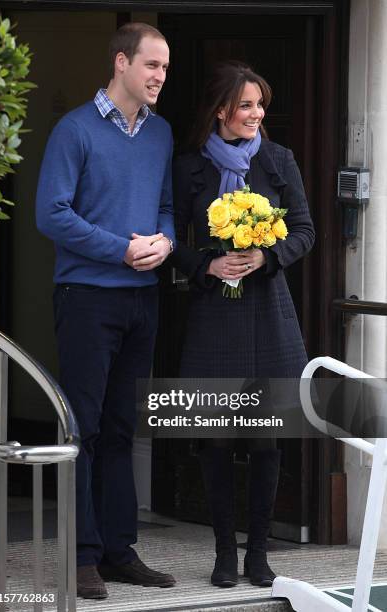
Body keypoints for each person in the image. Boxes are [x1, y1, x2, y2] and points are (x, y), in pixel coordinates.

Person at [36, 22, 176, 599]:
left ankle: (119, 550)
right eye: (151, 66)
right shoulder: (74, 131)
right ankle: (82, 556)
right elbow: (52, 215)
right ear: (121, 63)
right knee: (83, 428)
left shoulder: (161, 133)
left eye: (165, 68)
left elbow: (166, 206)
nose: (160, 77)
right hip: (87, 298)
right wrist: (120, 249)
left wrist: (165, 243)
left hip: (141, 300)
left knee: (122, 429)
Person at [171, 61, 315, 588]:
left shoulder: (279, 160)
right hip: (213, 315)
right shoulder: (187, 166)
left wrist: (266, 257)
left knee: (264, 439)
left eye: (260, 105)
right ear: (220, 110)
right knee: (214, 438)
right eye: (246, 105)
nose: (256, 114)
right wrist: (206, 264)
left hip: (269, 314)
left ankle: (258, 554)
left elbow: (304, 230)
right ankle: (223, 555)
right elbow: (170, 239)